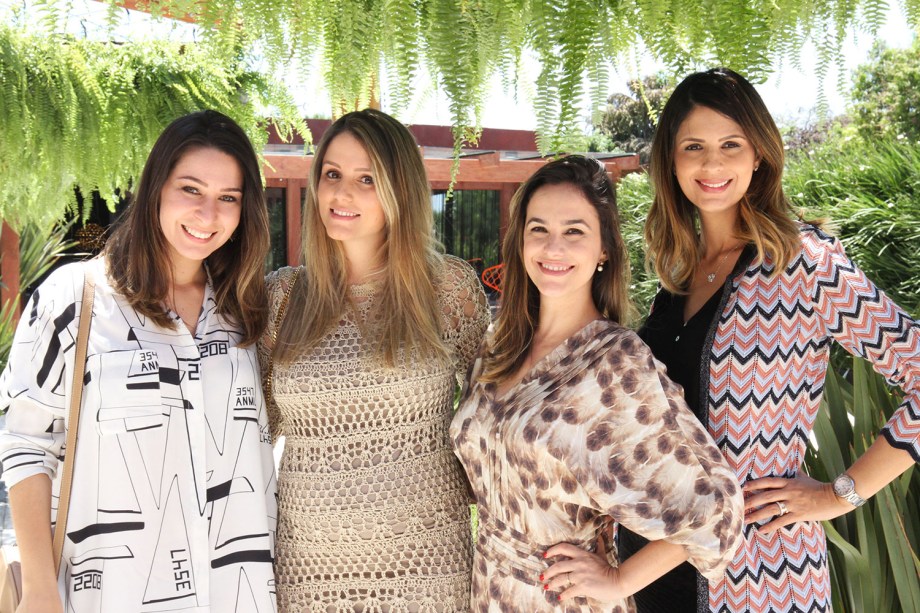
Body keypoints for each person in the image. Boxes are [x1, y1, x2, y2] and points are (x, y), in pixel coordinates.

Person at [621, 67, 920, 613]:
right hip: (654, 569)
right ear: (671, 159)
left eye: (730, 144)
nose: (712, 164)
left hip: (760, 574)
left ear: (758, 154)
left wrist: (837, 495)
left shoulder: (804, 263)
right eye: (694, 146)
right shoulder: (678, 275)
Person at [0, 110, 278, 612]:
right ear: (154, 189)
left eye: (228, 198)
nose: (207, 214)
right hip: (110, 593)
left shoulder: (249, 310)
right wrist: (40, 588)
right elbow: (24, 441)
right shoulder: (75, 298)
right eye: (190, 189)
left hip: (236, 595)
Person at [451, 155, 744, 612]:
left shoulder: (614, 361)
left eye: (574, 231)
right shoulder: (498, 347)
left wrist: (619, 579)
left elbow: (715, 509)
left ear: (603, 249)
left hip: (563, 599)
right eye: (538, 229)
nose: (553, 247)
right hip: (488, 589)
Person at [259, 108, 490, 612]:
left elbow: (492, 427)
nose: (342, 195)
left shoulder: (446, 289)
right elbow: (250, 436)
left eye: (367, 179)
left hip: (427, 569)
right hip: (308, 572)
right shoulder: (283, 298)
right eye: (333, 175)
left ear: (399, 189)